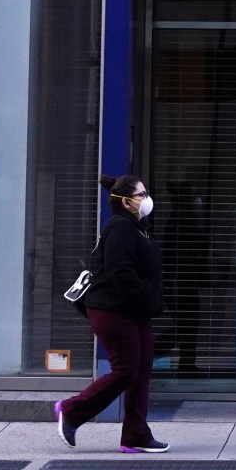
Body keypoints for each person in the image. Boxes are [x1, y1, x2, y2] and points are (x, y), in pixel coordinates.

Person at [55, 174, 167, 453]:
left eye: (146, 193)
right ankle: (71, 410)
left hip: (135, 311)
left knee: (140, 373)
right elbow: (120, 271)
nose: (146, 199)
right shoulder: (120, 228)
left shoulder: (138, 227)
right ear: (127, 202)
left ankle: (136, 435)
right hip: (113, 311)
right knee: (126, 371)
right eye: (141, 195)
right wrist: (144, 297)